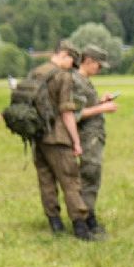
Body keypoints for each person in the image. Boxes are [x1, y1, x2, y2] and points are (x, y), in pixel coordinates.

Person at [28, 40, 94, 240]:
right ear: (65, 55)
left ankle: (55, 223)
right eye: (72, 62)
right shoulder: (62, 77)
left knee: (46, 180)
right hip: (58, 137)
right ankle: (80, 226)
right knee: (71, 181)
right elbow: (67, 113)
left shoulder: (35, 72)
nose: (72, 68)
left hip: (37, 135)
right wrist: (76, 141)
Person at [70, 45, 118, 239]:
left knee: (92, 178)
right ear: (88, 61)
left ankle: (89, 216)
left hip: (93, 138)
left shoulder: (84, 81)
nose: (99, 69)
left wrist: (99, 101)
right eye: (98, 65)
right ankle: (85, 220)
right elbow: (75, 114)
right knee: (89, 177)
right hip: (86, 139)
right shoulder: (77, 82)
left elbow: (85, 106)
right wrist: (103, 108)